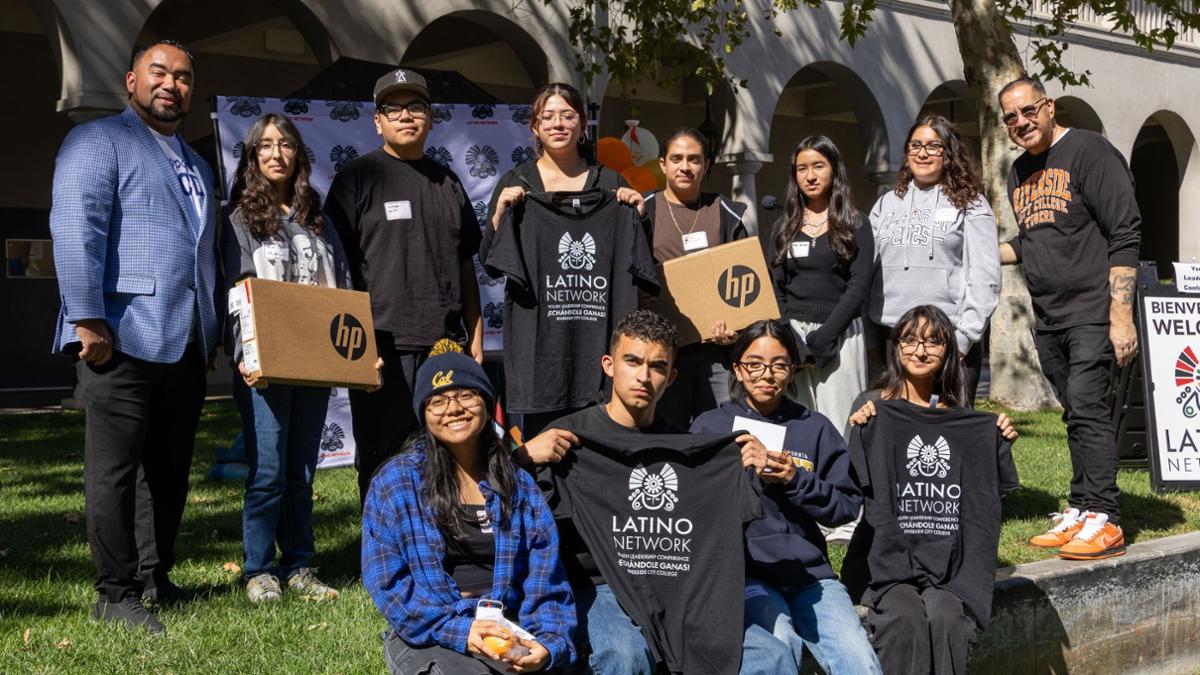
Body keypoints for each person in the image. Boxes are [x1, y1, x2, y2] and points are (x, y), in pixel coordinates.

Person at [49, 39, 218, 633]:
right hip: (119, 335)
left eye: (183, 77)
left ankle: (154, 574)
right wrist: (87, 319)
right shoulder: (96, 142)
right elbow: (76, 229)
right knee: (114, 472)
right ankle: (114, 592)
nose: (172, 84)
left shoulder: (197, 164)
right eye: (159, 73)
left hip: (186, 340)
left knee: (168, 470)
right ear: (130, 81)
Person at [519, 310, 794, 675]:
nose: (644, 377)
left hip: (678, 584)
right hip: (598, 585)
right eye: (632, 361)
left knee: (770, 655)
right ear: (609, 364)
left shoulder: (688, 447)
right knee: (623, 654)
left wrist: (752, 464)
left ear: (672, 377)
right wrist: (520, 460)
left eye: (658, 366)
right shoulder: (567, 439)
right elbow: (501, 506)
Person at [362, 341, 575, 674]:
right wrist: (462, 631)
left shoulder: (519, 486)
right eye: (438, 400)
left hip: (508, 629)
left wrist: (547, 645)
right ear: (423, 412)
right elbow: (389, 586)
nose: (453, 408)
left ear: (487, 404)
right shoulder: (395, 483)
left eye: (465, 395)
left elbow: (545, 581)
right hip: (430, 633)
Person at [998, 76, 1140, 560]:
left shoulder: (1090, 153)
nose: (1021, 122)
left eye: (1028, 111)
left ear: (1049, 106)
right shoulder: (1018, 171)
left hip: (1092, 311)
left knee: (1089, 407)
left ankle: (1106, 518)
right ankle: (1081, 508)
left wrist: (1120, 316)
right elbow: (1033, 239)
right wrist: (976, 251)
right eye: (1011, 117)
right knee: (1075, 413)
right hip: (1049, 317)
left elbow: (1125, 234)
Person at [326, 68, 484, 503]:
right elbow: (335, 268)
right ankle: (382, 554)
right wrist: (354, 344)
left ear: (431, 118)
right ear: (377, 121)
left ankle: (441, 544)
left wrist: (475, 337)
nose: (406, 116)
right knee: (381, 458)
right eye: (393, 109)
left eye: (416, 106)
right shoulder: (356, 179)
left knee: (445, 455)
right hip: (379, 347)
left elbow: (466, 263)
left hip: (444, 346)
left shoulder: (447, 182)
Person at [689, 320, 881, 674]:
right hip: (746, 574)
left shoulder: (814, 427)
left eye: (779, 364)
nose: (767, 375)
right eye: (755, 364)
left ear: (793, 369)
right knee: (779, 646)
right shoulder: (709, 427)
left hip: (811, 576)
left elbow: (845, 507)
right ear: (737, 368)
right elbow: (693, 508)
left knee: (860, 661)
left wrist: (794, 478)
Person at [842, 306, 1016, 674]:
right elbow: (851, 483)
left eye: (933, 342)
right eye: (909, 339)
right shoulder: (872, 406)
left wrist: (996, 440)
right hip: (886, 558)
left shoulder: (962, 415)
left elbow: (985, 490)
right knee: (903, 620)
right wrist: (858, 432)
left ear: (948, 351)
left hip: (947, 561)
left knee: (947, 618)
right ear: (895, 346)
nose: (920, 351)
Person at [222, 114, 351, 603]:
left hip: (315, 361)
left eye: (287, 145)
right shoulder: (239, 220)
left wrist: (357, 353)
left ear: (299, 154)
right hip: (264, 366)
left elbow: (343, 289)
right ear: (253, 157)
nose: (277, 154)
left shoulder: (318, 219)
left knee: (301, 473)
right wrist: (245, 357)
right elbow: (236, 294)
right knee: (269, 471)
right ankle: (259, 570)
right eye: (266, 147)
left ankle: (299, 565)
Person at [482, 82, 646, 436]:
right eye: (548, 116)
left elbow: (639, 264)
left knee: (601, 451)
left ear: (583, 125)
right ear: (534, 127)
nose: (558, 124)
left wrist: (636, 214)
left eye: (568, 115)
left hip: (599, 351)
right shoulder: (519, 182)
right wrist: (499, 215)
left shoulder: (609, 182)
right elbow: (491, 263)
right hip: (542, 355)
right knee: (546, 451)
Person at [867, 114, 1001, 402]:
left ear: (949, 153)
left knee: (950, 435)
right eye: (915, 146)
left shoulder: (971, 203)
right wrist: (871, 338)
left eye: (933, 146)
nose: (923, 153)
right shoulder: (886, 204)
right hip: (893, 338)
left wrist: (963, 340)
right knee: (896, 433)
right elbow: (868, 272)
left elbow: (986, 277)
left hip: (949, 339)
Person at [640, 127, 750, 427]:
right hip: (662, 351)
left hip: (715, 353)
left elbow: (745, 281)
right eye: (676, 158)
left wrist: (735, 329)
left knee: (721, 435)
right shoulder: (642, 211)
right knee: (664, 434)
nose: (685, 167)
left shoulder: (727, 212)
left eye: (694, 159)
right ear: (662, 163)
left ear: (707, 166)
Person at [768, 134, 876, 434]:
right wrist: (790, 337)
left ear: (834, 170)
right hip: (793, 339)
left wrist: (827, 335)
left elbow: (859, 285)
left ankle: (844, 481)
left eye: (818, 166)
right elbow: (775, 287)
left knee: (842, 424)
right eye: (802, 168)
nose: (810, 176)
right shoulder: (783, 227)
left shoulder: (856, 223)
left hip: (840, 335)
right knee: (795, 426)